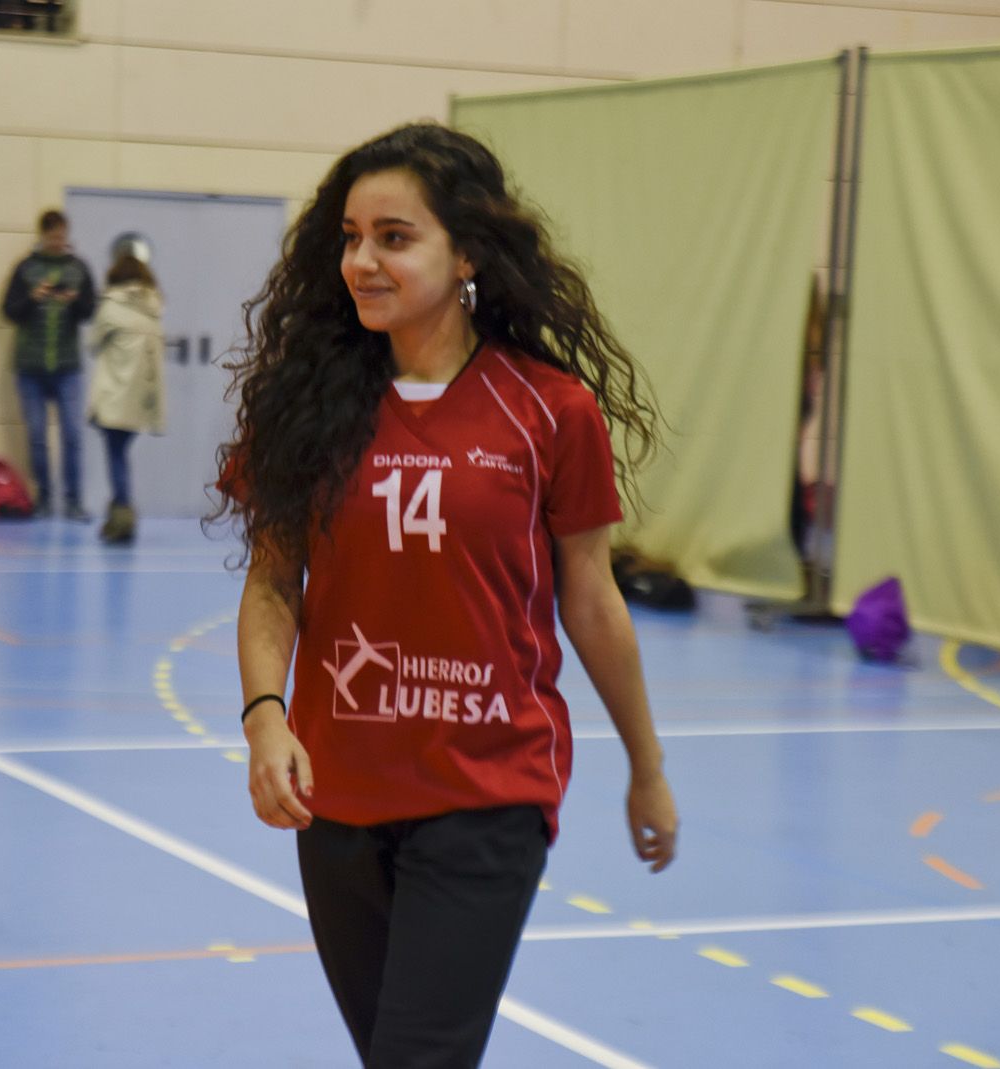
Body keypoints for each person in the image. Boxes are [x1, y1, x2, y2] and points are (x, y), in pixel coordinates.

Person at [211, 122, 679, 1068]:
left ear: (466, 251)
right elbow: (272, 579)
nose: (363, 260)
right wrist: (266, 716)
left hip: (487, 789)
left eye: (395, 236)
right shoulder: (308, 404)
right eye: (350, 236)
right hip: (337, 794)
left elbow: (591, 598)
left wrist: (646, 762)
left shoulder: (550, 409)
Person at [2, 209, 97, 521]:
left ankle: (74, 500)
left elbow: (90, 311)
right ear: (42, 236)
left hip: (68, 367)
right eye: (52, 236)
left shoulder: (79, 268)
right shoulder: (25, 269)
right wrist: (32, 298)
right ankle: (43, 497)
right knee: (38, 437)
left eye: (62, 236)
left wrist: (75, 302)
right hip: (30, 367)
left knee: (72, 435)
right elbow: (9, 311)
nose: (58, 241)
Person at [86, 252, 166, 544]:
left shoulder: (110, 307)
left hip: (114, 396)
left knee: (116, 457)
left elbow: (92, 344)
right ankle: (118, 514)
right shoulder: (154, 308)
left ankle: (122, 517)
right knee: (121, 455)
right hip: (141, 400)